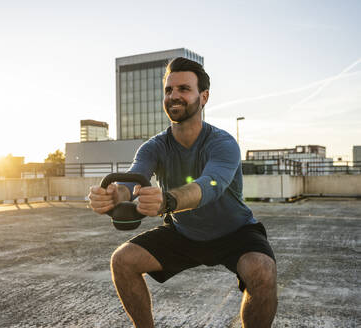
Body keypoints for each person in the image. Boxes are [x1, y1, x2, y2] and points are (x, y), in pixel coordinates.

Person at [88, 57, 277, 328]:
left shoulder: (223, 143)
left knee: (263, 270)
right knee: (122, 261)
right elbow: (133, 180)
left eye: (184, 89)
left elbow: (211, 184)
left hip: (235, 232)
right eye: (168, 90)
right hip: (184, 233)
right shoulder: (154, 146)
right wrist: (111, 196)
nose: (174, 96)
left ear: (204, 96)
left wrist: (168, 200)